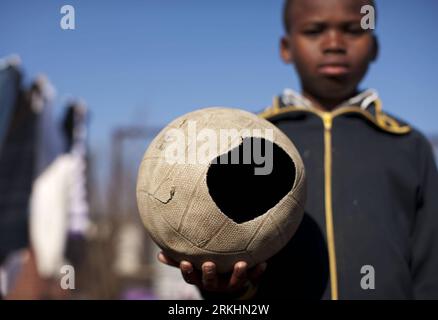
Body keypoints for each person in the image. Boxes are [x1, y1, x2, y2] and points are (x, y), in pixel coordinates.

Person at [158, 0, 438, 299]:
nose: (334, 43)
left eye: (353, 30)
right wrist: (227, 289)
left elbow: (430, 271)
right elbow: (231, 262)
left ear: (375, 47)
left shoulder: (407, 145)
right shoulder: (248, 141)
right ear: (286, 48)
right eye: (314, 30)